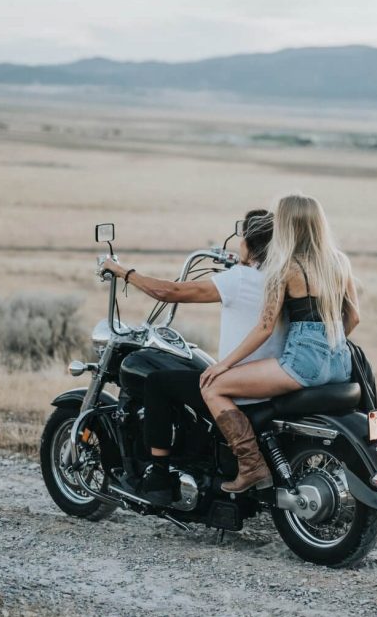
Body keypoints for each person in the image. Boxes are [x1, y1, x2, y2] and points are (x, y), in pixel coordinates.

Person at [100, 209, 286, 504]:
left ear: (249, 243)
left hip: (240, 386)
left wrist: (123, 272)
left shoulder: (240, 279)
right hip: (272, 380)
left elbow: (168, 291)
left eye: (242, 239)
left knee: (159, 384)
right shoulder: (283, 278)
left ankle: (159, 477)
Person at [199, 194, 360, 493]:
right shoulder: (339, 262)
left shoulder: (284, 266)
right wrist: (325, 347)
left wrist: (223, 365)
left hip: (302, 365)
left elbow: (264, 327)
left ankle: (251, 468)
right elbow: (354, 317)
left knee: (213, 386)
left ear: (285, 225)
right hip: (339, 363)